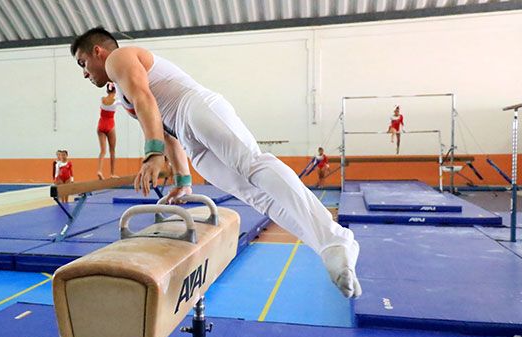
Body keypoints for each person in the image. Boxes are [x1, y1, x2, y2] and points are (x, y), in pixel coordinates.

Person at [70, 27, 361, 299]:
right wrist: (183, 181)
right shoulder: (122, 98)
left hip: (194, 106)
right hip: (186, 137)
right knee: (258, 198)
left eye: (82, 63)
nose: (83, 74)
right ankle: (328, 248)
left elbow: (147, 98)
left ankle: (335, 238)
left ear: (98, 51)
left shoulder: (118, 59)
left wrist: (152, 154)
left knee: (253, 165)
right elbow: (166, 132)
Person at [97, 82, 119, 180]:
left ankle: (99, 171)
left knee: (102, 151)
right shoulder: (116, 101)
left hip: (101, 125)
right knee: (112, 151)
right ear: (115, 90)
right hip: (110, 125)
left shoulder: (102, 99)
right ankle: (112, 173)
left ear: (107, 90)